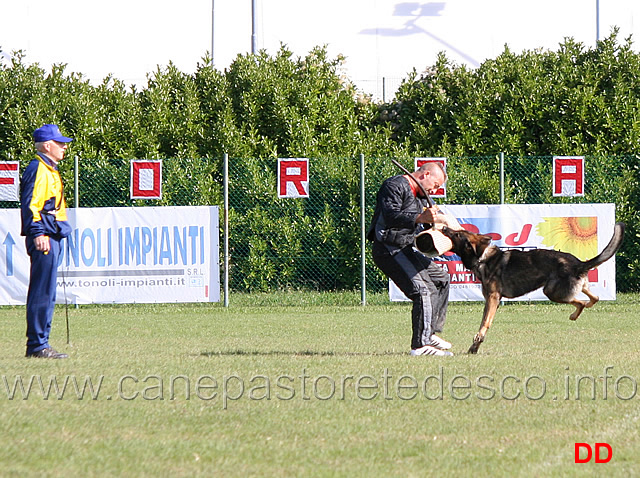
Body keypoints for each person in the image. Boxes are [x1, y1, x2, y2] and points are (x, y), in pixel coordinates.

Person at [368, 162, 453, 356]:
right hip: (388, 249)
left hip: (405, 248)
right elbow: (391, 215)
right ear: (425, 175)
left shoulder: (421, 198)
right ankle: (420, 346)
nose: (436, 190)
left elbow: (423, 225)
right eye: (436, 184)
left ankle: (429, 332)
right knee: (423, 291)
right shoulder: (394, 185)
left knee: (441, 279)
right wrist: (420, 218)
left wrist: (436, 226)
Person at [20, 124, 73, 359]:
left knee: (47, 292)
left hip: (52, 235)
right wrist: (38, 233)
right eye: (60, 143)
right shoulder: (38, 168)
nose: (64, 147)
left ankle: (41, 343)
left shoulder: (49, 168)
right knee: (42, 292)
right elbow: (30, 204)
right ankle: (38, 345)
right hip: (44, 238)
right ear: (47, 145)